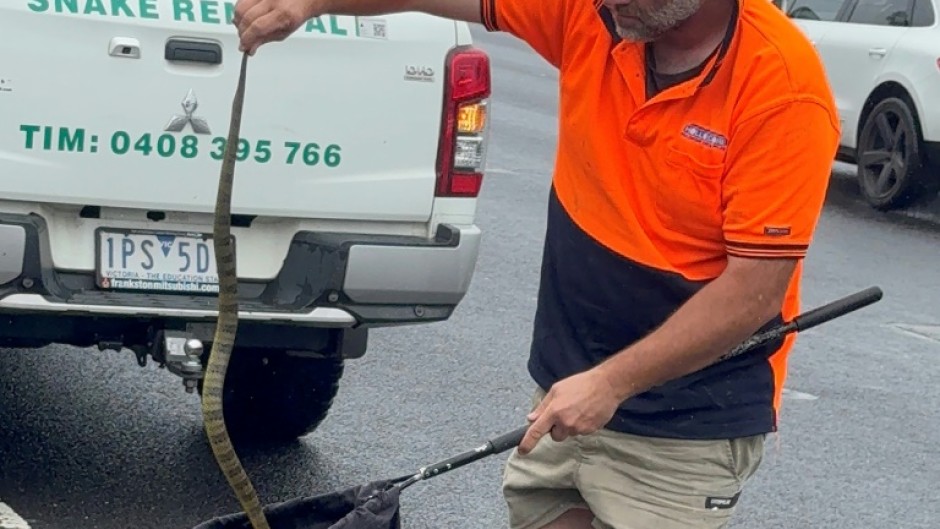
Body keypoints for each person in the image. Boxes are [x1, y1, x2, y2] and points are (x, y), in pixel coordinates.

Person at [234, 0, 840, 527]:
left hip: (683, 431)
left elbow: (753, 294)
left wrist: (610, 384)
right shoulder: (596, 14)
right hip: (566, 397)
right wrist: (313, 3)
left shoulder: (781, 88)